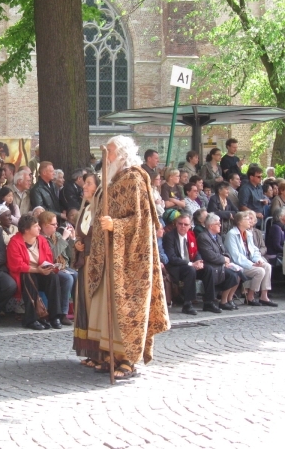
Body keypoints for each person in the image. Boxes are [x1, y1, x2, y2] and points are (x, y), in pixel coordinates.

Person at [87, 135, 169, 378]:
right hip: (108, 254)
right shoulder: (111, 179)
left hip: (130, 256)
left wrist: (116, 225)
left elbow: (142, 221)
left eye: (110, 151)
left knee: (124, 305)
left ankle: (127, 359)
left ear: (122, 153)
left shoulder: (133, 178)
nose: (107, 156)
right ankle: (109, 353)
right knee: (107, 304)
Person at [7, 214, 62, 330]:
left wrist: (48, 268)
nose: (39, 228)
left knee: (53, 278)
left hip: (40, 271)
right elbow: (16, 265)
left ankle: (55, 316)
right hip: (24, 273)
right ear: (27, 229)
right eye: (36, 226)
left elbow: (48, 257)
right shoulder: (15, 242)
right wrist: (36, 270)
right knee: (29, 277)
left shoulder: (41, 240)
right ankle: (31, 318)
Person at [164, 213, 221, 315]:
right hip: (176, 267)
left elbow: (196, 252)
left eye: (186, 224)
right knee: (190, 270)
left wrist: (199, 262)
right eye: (180, 224)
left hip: (190, 265)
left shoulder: (191, 235)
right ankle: (188, 304)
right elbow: (172, 258)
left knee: (208, 269)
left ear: (190, 225)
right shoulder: (169, 236)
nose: (183, 226)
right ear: (176, 224)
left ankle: (209, 302)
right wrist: (191, 264)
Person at [72, 171, 100, 365]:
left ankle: (101, 352)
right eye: (85, 183)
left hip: (96, 265)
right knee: (85, 307)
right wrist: (77, 245)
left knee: (96, 307)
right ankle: (91, 351)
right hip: (85, 263)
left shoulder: (101, 211)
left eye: (89, 183)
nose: (85, 186)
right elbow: (80, 235)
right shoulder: (85, 210)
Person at [224, 212, 276, 306]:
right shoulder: (231, 234)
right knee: (260, 271)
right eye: (247, 219)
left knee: (267, 266)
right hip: (238, 264)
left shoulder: (248, 234)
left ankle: (264, 296)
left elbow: (254, 250)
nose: (250, 221)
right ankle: (250, 296)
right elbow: (236, 256)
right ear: (240, 222)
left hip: (250, 261)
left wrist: (258, 260)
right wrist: (252, 264)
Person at [38, 211, 77, 326]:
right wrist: (63, 239)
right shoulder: (40, 238)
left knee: (77, 275)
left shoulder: (57, 236)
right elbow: (51, 256)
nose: (56, 226)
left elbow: (71, 255)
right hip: (51, 268)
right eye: (54, 224)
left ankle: (77, 310)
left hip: (64, 265)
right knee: (67, 278)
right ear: (45, 225)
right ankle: (63, 314)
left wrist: (72, 239)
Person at [196, 213, 241, 310]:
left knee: (236, 274)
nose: (220, 225)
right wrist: (223, 260)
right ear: (211, 226)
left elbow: (225, 251)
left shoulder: (218, 237)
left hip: (220, 264)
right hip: (210, 265)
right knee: (230, 275)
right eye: (218, 224)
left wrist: (227, 259)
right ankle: (212, 302)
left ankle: (226, 300)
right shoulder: (203, 237)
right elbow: (209, 255)